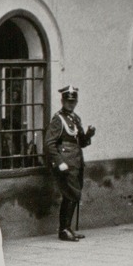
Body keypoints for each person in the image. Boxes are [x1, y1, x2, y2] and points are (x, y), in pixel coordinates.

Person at [44, 85, 95, 242]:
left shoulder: (75, 118)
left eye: (73, 101)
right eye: (68, 101)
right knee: (71, 194)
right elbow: (49, 144)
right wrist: (59, 162)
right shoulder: (58, 120)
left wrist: (88, 134)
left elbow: (82, 142)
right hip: (66, 164)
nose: (70, 104)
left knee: (73, 195)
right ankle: (63, 230)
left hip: (77, 162)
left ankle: (67, 228)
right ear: (62, 101)